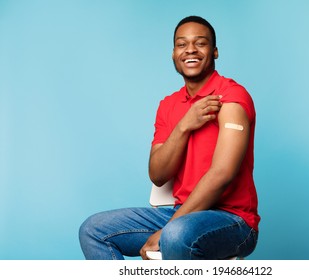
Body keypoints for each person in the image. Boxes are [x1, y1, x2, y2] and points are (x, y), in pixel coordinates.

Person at [79, 15, 260, 260]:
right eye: (182, 44)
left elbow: (222, 174)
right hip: (181, 214)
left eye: (200, 43)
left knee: (176, 234)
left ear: (215, 51)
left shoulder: (231, 97)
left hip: (232, 220)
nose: (190, 50)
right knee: (94, 230)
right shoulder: (168, 105)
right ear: (174, 53)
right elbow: (158, 174)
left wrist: (167, 230)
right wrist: (184, 125)